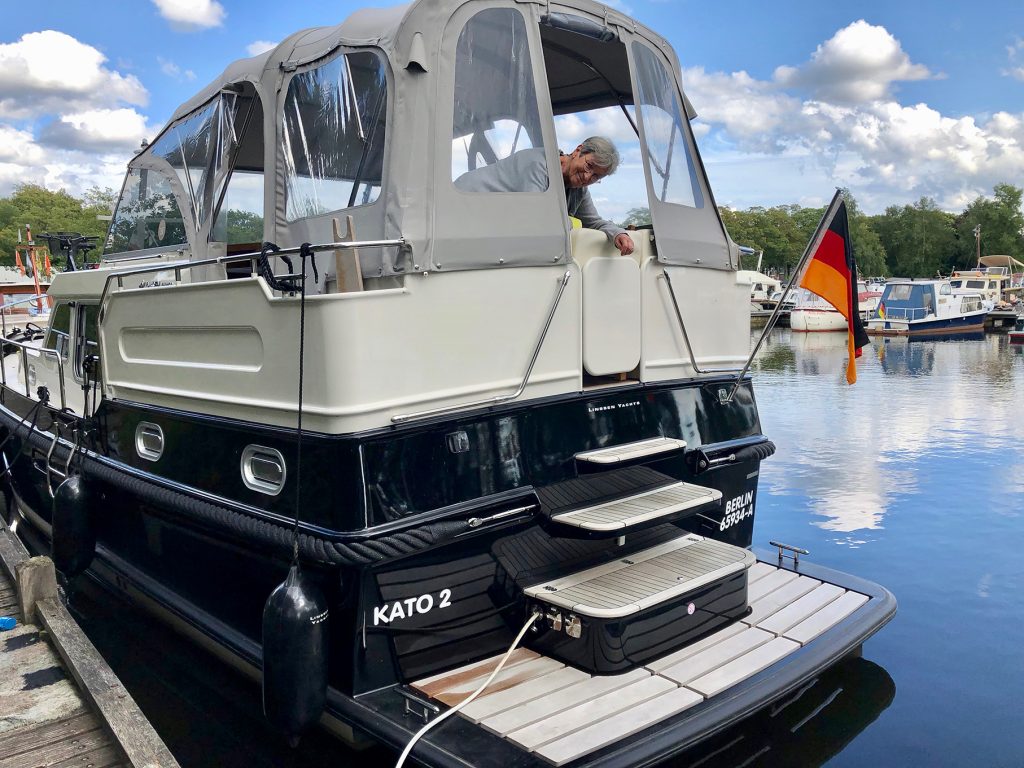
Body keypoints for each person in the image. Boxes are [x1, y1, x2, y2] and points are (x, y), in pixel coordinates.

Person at [454, 136, 635, 256]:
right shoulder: (538, 164)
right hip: (463, 206)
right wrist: (569, 223)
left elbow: (593, 221)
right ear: (578, 151)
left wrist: (618, 234)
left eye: (596, 177)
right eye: (589, 166)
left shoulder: (579, 189)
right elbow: (536, 216)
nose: (588, 177)